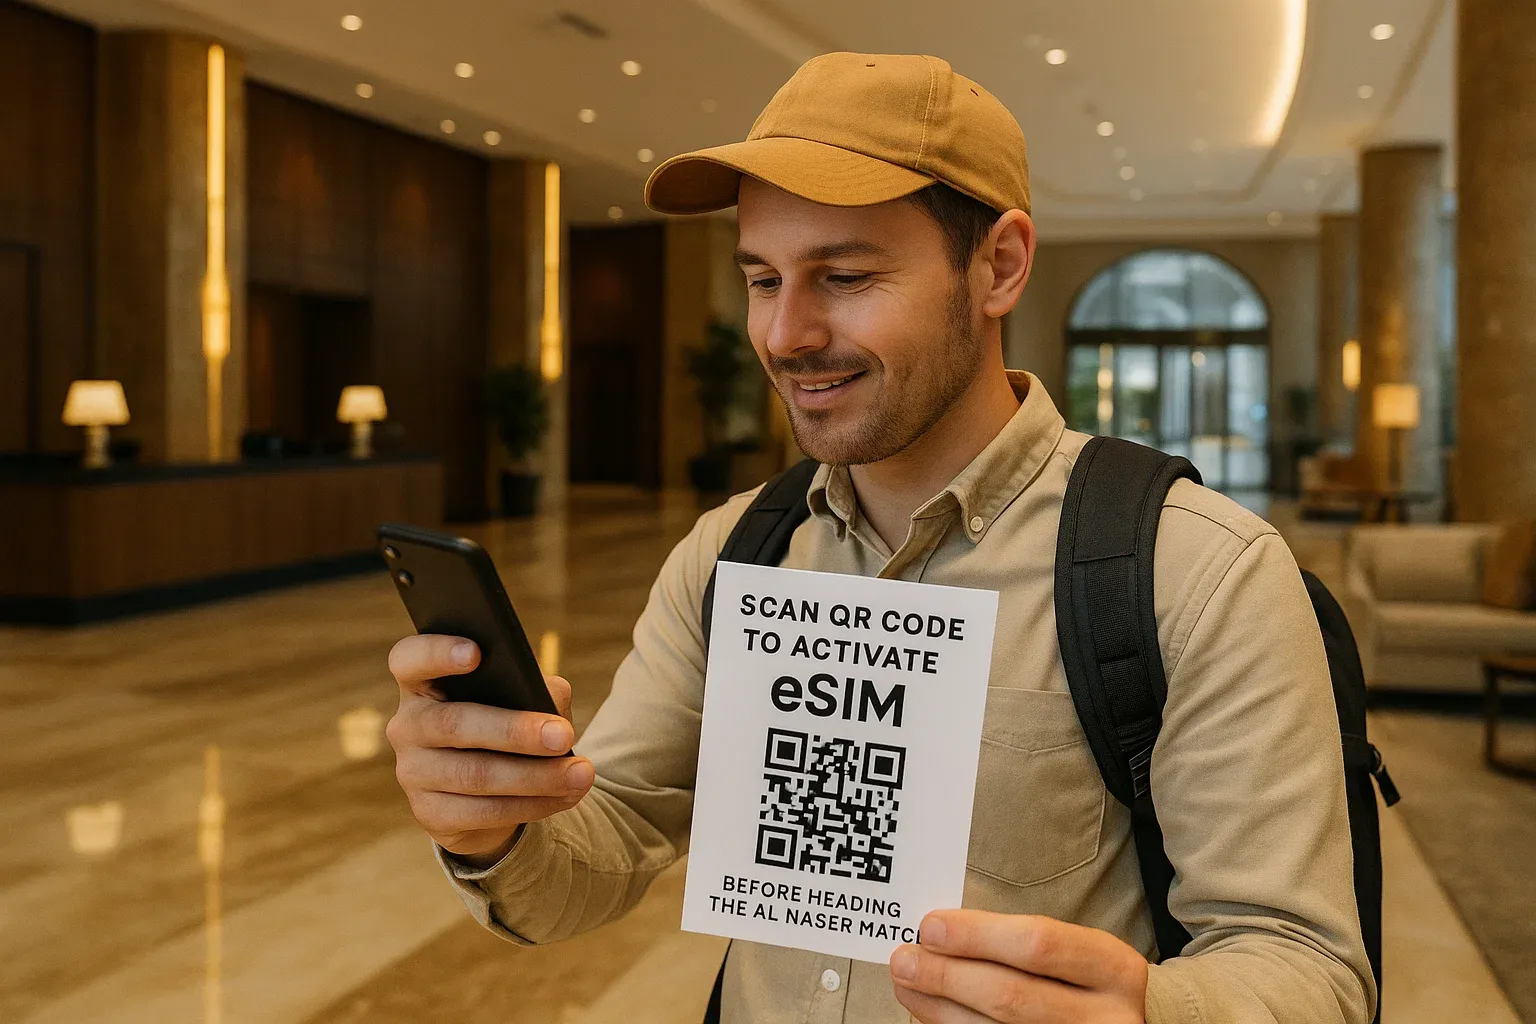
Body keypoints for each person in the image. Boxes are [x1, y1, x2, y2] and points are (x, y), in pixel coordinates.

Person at [385, 52, 1376, 1024]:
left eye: (844, 275)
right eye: (764, 278)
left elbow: (1307, 971)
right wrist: (496, 824)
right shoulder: (735, 553)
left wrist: (1154, 1012)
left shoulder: (1195, 572)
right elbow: (599, 849)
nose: (785, 334)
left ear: (998, 265)